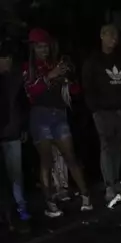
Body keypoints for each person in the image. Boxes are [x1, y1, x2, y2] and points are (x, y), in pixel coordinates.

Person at [25, 28, 92, 217]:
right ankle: (50, 203)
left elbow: (75, 91)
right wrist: (51, 75)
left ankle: (86, 195)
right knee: (46, 161)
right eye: (39, 47)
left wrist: (69, 77)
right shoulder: (28, 67)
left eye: (45, 46)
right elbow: (31, 92)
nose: (43, 50)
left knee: (70, 156)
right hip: (40, 117)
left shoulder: (55, 63)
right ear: (33, 48)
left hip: (59, 115)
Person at [83, 24, 121, 202]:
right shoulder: (94, 60)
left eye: (116, 35)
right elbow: (88, 87)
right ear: (102, 36)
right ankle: (109, 184)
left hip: (120, 109)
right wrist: (95, 110)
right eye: (110, 34)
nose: (114, 38)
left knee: (117, 148)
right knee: (106, 146)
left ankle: (117, 180)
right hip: (103, 111)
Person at [0, 40, 30, 224]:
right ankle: (7, 212)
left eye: (9, 58)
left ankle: (20, 207)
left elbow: (23, 105)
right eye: (4, 58)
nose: (7, 61)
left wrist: (24, 127)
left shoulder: (16, 79)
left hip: (12, 134)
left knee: (15, 174)